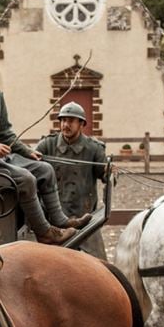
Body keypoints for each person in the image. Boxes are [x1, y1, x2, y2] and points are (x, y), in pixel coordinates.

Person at [0, 51, 86, 245]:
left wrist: (27, 151)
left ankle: (60, 220)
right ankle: (44, 233)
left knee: (45, 169)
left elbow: (6, 132)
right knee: (25, 179)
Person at [35, 102, 108, 259]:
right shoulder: (47, 145)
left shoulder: (94, 148)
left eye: (70, 121)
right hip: (54, 222)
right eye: (63, 120)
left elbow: (106, 176)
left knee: (100, 266)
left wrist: (110, 171)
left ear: (81, 124)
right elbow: (30, 168)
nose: (65, 125)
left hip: (85, 220)